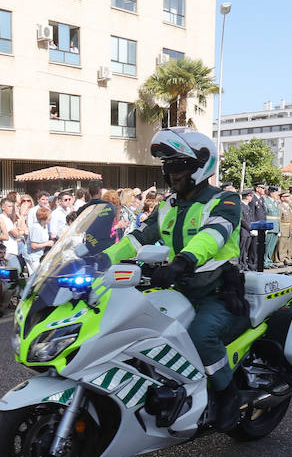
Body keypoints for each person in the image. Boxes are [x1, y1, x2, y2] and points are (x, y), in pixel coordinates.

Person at [102, 128, 247, 431]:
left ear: (200, 166)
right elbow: (139, 238)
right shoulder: (168, 205)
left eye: (178, 166)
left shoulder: (225, 201)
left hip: (217, 293)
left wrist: (182, 262)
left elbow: (213, 236)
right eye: (168, 167)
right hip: (177, 289)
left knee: (201, 336)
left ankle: (228, 393)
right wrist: (101, 260)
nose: (171, 174)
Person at [277, 188, 292, 269]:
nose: (289, 198)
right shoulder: (280, 206)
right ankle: (280, 259)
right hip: (283, 226)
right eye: (287, 197)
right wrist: (279, 229)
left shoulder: (288, 206)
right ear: (282, 198)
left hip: (289, 226)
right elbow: (279, 218)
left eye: (289, 196)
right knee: (281, 244)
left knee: (287, 244)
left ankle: (285, 258)